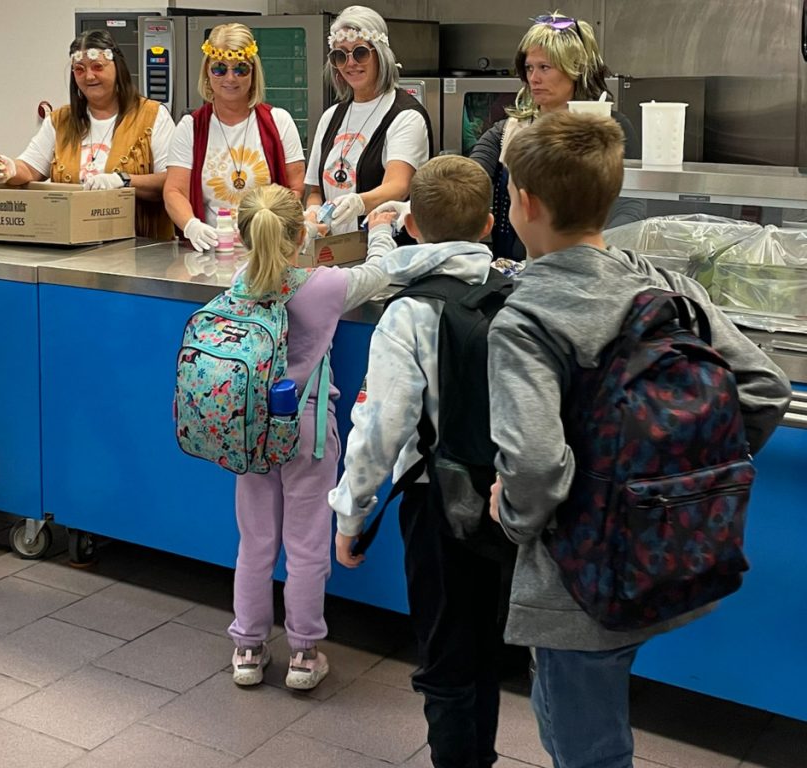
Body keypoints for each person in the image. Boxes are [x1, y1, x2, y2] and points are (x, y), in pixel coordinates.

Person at [487, 111, 791, 768]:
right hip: (673, 553)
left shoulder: (527, 318)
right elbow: (766, 389)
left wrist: (509, 514)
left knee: (585, 746)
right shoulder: (668, 287)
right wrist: (678, 478)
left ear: (525, 204)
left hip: (577, 587)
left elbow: (537, 466)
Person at [329, 156, 509, 768]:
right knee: (488, 645)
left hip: (438, 504)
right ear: (489, 225)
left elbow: (380, 428)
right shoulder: (517, 292)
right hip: (510, 500)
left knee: (446, 656)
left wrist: (351, 515)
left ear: (412, 227)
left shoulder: (409, 312)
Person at [227, 184, 390, 690]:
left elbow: (276, 255)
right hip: (307, 432)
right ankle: (302, 653)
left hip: (252, 433)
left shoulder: (239, 280)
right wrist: (380, 228)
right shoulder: (323, 285)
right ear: (297, 234)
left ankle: (248, 648)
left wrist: (303, 231)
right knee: (306, 544)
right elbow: (381, 272)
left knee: (255, 542)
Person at [470, 12, 642, 260]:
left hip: (594, 264)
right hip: (518, 268)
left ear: (576, 70)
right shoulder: (507, 132)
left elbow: (632, 204)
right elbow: (468, 180)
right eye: (529, 68)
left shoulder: (612, 129)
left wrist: (594, 253)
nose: (534, 78)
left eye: (545, 68)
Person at [0, 30, 176, 240]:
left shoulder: (153, 116)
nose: (89, 76)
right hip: (75, 248)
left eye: (97, 67)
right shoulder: (61, 121)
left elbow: (171, 181)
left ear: (118, 68)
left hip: (141, 248)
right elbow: (29, 169)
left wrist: (123, 180)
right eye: (79, 70)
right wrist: (9, 169)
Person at [164, 23, 305, 252]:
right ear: (207, 73)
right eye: (220, 68)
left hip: (268, 252)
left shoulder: (279, 122)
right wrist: (191, 226)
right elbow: (174, 191)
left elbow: (296, 189)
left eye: (240, 69)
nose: (230, 78)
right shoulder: (191, 128)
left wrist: (270, 228)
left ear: (254, 72)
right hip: (211, 250)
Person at [305, 6, 432, 236]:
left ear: (380, 55)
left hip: (384, 251)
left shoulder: (405, 116)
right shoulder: (331, 117)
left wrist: (359, 203)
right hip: (335, 252)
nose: (350, 63)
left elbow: (399, 186)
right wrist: (313, 212)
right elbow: (315, 189)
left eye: (360, 53)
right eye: (340, 55)